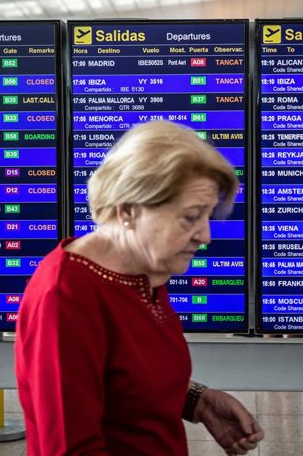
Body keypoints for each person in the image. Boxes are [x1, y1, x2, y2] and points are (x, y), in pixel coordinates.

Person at [14, 120, 264, 455]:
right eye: (191, 217)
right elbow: (70, 447)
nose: (206, 236)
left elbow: (122, 382)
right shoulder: (66, 295)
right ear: (129, 210)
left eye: (207, 217)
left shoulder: (144, 269)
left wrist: (197, 401)